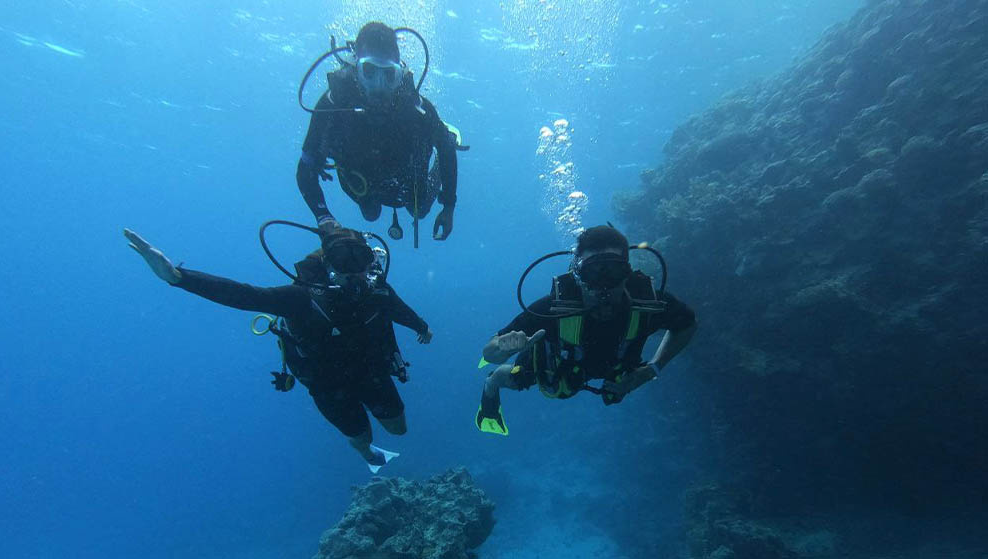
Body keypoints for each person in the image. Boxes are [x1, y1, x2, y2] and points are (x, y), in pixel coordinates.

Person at [123, 227, 432, 471]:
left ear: (372, 259)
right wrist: (179, 277)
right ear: (327, 263)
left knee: (399, 429)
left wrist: (420, 326)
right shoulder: (300, 297)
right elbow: (245, 296)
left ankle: (368, 443)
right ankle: (367, 452)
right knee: (362, 437)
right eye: (342, 261)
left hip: (370, 371)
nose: (354, 271)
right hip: (328, 384)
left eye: (361, 259)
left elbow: (397, 308)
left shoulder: (377, 290)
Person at [475, 225, 697, 435]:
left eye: (613, 271)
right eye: (593, 272)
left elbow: (687, 325)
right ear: (577, 275)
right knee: (519, 378)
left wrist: (651, 370)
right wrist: (503, 349)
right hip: (559, 366)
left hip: (617, 366)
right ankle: (491, 382)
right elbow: (489, 351)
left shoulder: (648, 302)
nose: (604, 285)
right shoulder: (553, 309)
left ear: (627, 273)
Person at [297, 21, 460, 243]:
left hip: (406, 177)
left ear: (399, 74)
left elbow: (447, 149)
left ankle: (445, 135)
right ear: (356, 68)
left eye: (389, 75)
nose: (380, 86)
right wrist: (325, 219)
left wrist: (448, 205)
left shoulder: (417, 109)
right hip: (363, 179)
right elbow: (305, 169)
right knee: (370, 214)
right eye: (370, 72)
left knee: (419, 210)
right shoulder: (333, 105)